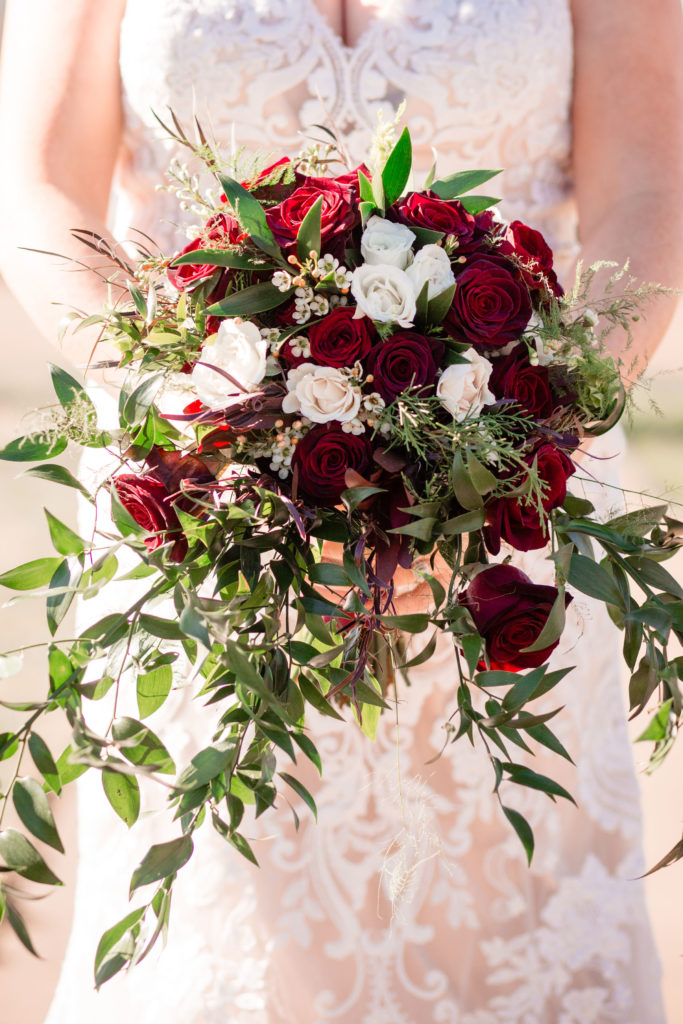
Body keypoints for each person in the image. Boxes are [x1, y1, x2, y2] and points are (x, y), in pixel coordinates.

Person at [0, 1, 682, 1021]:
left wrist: (507, 453)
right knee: (217, 919)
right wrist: (187, 420)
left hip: (506, 509)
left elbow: (647, 188)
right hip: (204, 512)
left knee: (505, 924)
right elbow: (40, 183)